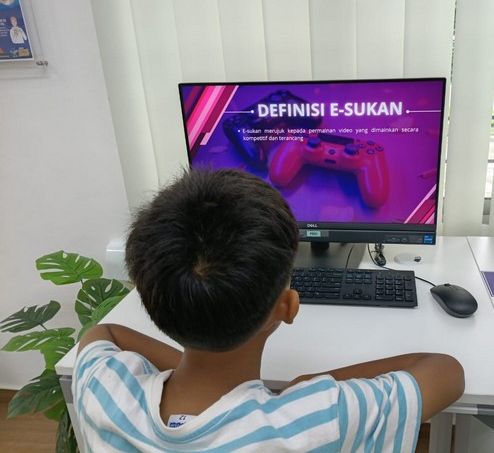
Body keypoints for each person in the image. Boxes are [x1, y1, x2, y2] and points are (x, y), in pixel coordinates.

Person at [73, 168, 464, 452]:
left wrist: (199, 363)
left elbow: (102, 333)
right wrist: (310, 381)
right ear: (288, 307)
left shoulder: (101, 391)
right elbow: (445, 370)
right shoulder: (317, 422)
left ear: (151, 301)